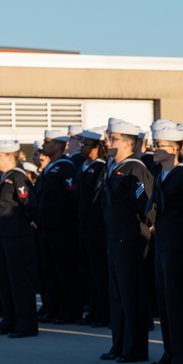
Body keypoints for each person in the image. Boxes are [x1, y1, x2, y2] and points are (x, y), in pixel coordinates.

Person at [147, 123, 183, 364]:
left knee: (179, 303)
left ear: (174, 148)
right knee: (166, 303)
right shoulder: (162, 174)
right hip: (163, 245)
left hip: (180, 247)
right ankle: (170, 352)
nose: (154, 149)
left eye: (159, 145)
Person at [100, 119, 153, 363]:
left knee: (132, 295)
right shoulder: (112, 167)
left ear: (128, 143)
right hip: (115, 238)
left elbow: (147, 206)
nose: (107, 141)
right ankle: (119, 344)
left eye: (112, 138)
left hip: (131, 240)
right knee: (117, 295)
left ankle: (135, 348)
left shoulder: (135, 169)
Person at [0, 140, 39, 338]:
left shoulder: (18, 177)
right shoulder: (4, 177)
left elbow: (29, 205)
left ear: (10, 157)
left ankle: (25, 324)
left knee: (20, 282)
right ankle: (10, 320)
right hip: (4, 236)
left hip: (17, 237)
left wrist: (23, 224)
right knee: (6, 281)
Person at [36, 129, 81, 324]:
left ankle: (69, 311)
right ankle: (51, 308)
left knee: (65, 272)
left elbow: (72, 198)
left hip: (62, 230)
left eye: (47, 142)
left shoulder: (65, 167)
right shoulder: (49, 168)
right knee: (50, 272)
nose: (43, 146)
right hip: (47, 229)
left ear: (58, 145)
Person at [77, 127, 110, 327]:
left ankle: (102, 312)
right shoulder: (83, 166)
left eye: (86, 144)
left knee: (99, 273)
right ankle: (93, 309)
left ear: (97, 147)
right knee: (88, 272)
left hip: (96, 228)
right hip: (84, 226)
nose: (82, 147)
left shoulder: (100, 167)